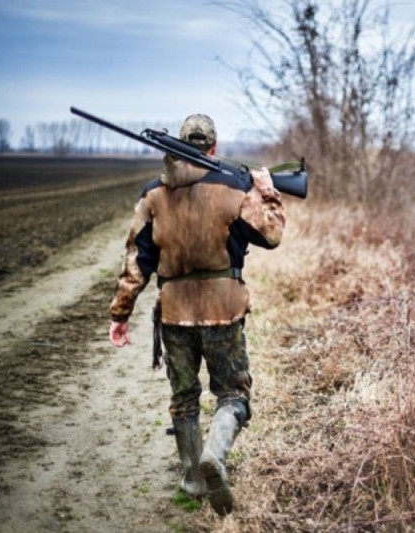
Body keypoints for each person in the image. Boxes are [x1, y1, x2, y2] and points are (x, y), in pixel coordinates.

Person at [107, 113, 285, 516]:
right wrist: (268, 193)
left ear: (177, 145)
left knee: (184, 399)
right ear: (214, 148)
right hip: (224, 310)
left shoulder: (153, 194)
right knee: (233, 395)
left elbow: (137, 260)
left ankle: (192, 478)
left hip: (174, 314)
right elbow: (272, 235)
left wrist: (120, 313)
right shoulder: (237, 187)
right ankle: (215, 456)